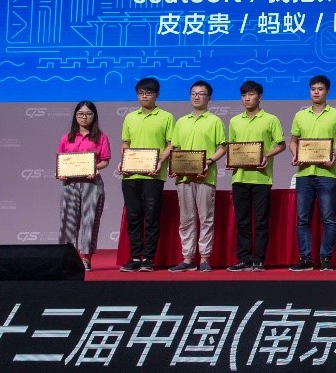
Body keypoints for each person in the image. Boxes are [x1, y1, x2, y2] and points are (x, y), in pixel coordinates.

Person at [289, 74, 336, 271]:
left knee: (329, 219)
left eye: (320, 89)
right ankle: (306, 259)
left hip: (327, 174)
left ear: (327, 91)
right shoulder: (300, 115)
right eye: (313, 89)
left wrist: (334, 153)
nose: (316, 92)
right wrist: (295, 154)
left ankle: (326, 258)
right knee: (302, 219)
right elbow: (293, 142)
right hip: (304, 174)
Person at [169, 80, 227, 273]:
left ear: (208, 98)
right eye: (193, 93)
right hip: (183, 178)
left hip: (205, 176)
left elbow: (222, 147)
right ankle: (187, 258)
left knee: (206, 218)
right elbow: (176, 148)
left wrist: (209, 161)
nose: (196, 97)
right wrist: (174, 165)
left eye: (201, 94)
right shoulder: (181, 121)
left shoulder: (215, 121)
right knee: (186, 219)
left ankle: (204, 258)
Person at [227, 80, 285, 272]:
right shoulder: (235, 121)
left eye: (251, 94)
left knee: (261, 222)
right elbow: (233, 148)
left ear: (259, 97)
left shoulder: (271, 119)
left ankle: (259, 259)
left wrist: (266, 155)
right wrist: (231, 160)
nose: (247, 98)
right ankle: (244, 259)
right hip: (239, 178)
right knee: (242, 222)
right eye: (244, 95)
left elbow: (281, 144)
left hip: (262, 178)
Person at [119, 77, 174, 272]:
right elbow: (126, 143)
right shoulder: (130, 117)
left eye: (149, 93)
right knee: (133, 217)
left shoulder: (166, 117)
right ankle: (135, 257)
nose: (144, 96)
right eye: (141, 93)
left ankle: (148, 259)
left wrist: (160, 161)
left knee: (151, 217)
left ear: (157, 95)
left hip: (153, 175)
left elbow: (171, 144)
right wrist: (124, 161)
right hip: (131, 175)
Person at [57, 100, 111, 271]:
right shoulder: (67, 137)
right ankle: (67, 258)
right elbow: (61, 160)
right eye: (80, 113)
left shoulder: (101, 137)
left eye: (88, 114)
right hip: (70, 183)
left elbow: (105, 160)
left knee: (90, 220)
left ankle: (86, 258)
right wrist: (61, 172)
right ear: (75, 116)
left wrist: (95, 168)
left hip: (92, 183)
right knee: (68, 221)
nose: (84, 117)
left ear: (94, 116)